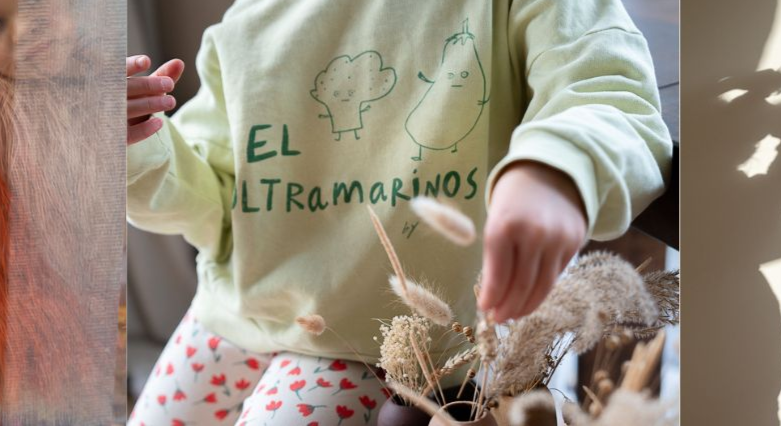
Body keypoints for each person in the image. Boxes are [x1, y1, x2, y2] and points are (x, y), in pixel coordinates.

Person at [124, 0, 672, 423]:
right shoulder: (250, 17)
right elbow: (211, 201)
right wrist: (137, 144)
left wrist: (552, 172)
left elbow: (608, 91)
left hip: (384, 348)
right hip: (225, 317)